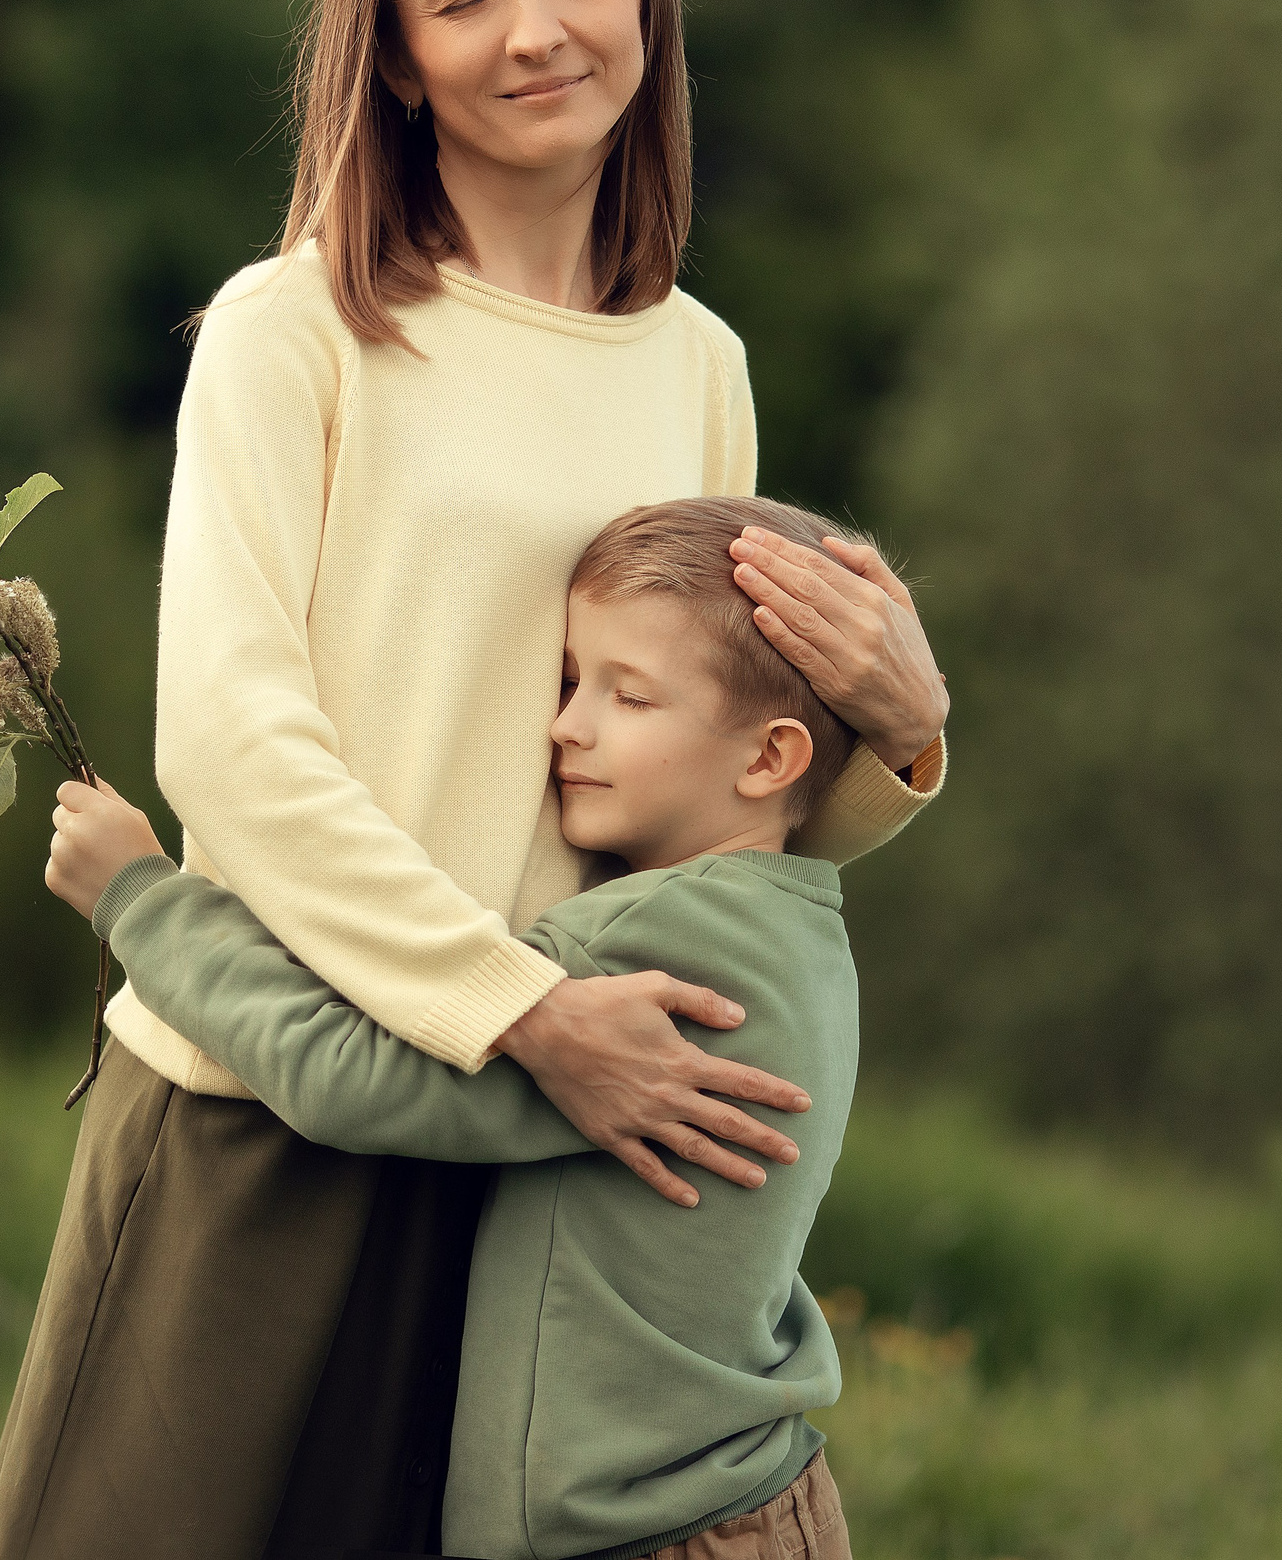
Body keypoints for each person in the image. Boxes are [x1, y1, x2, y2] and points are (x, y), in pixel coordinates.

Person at [0, 0, 947, 1560]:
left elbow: (731, 790)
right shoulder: (296, 329)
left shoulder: (698, 364)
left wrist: (903, 727)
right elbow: (235, 743)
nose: (536, 30)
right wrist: (514, 1008)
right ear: (399, 56)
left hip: (544, 1150)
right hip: (270, 1107)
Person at [47, 495, 875, 1560]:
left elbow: (350, 1077)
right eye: (573, 681)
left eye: (628, 696)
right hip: (736, 1508)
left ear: (768, 760)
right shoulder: (793, 926)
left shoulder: (653, 945)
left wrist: (143, 898)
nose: (566, 724)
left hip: (657, 1537)